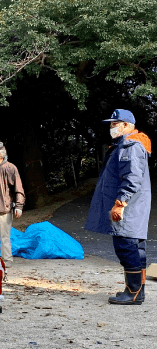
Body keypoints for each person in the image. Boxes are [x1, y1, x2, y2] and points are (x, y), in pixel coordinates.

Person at [85, 109, 151, 305]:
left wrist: (120, 203)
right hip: (135, 208)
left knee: (126, 247)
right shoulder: (130, 144)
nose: (112, 127)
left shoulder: (130, 146)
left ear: (126, 125)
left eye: (115, 123)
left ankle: (133, 292)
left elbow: (131, 178)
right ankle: (137, 291)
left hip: (128, 209)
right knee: (136, 249)